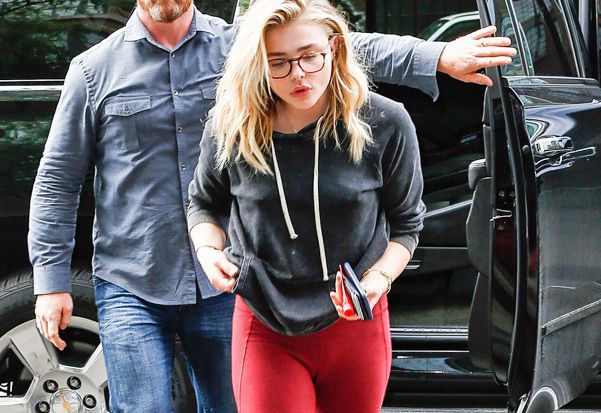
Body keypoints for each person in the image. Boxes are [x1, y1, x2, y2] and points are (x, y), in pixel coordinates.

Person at [28, 0, 516, 411]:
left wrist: (439, 56)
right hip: (135, 279)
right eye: (281, 64)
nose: (294, 71)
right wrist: (50, 280)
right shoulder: (93, 70)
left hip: (230, 283)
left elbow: (340, 45)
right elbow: (57, 180)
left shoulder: (241, 44)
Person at [185, 0, 475, 411]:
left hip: (356, 320)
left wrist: (379, 279)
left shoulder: (385, 122)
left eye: (310, 56)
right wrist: (208, 251)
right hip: (266, 322)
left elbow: (407, 224)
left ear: (334, 47)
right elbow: (203, 203)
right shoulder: (231, 126)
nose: (298, 74)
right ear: (256, 64)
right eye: (278, 63)